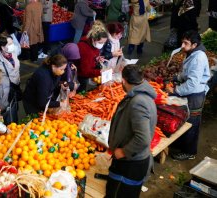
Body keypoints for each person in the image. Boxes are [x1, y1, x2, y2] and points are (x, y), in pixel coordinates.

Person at [106, 65, 157, 198]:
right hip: (132, 159)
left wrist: (123, 152)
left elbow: (143, 138)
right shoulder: (143, 95)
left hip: (130, 163)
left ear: (123, 80)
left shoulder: (138, 102)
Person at [166, 30, 211, 160]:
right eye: (182, 42)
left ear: (194, 45)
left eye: (186, 43)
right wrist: (177, 77)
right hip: (191, 93)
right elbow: (188, 73)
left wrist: (175, 91)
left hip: (195, 95)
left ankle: (189, 152)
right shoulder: (192, 53)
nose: (182, 45)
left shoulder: (198, 58)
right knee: (184, 119)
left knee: (191, 123)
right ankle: (181, 144)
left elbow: (192, 84)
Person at [0, 34, 21, 124]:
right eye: (10, 44)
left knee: (14, 111)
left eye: (12, 43)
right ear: (3, 47)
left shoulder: (13, 54)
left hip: (14, 89)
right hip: (2, 93)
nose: (12, 45)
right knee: (4, 117)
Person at [77, 20, 108, 92]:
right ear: (93, 39)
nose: (102, 45)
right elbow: (85, 71)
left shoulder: (93, 44)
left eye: (104, 43)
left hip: (88, 73)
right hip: (81, 77)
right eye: (100, 42)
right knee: (81, 93)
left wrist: (96, 58)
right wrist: (100, 71)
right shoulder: (84, 48)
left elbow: (93, 54)